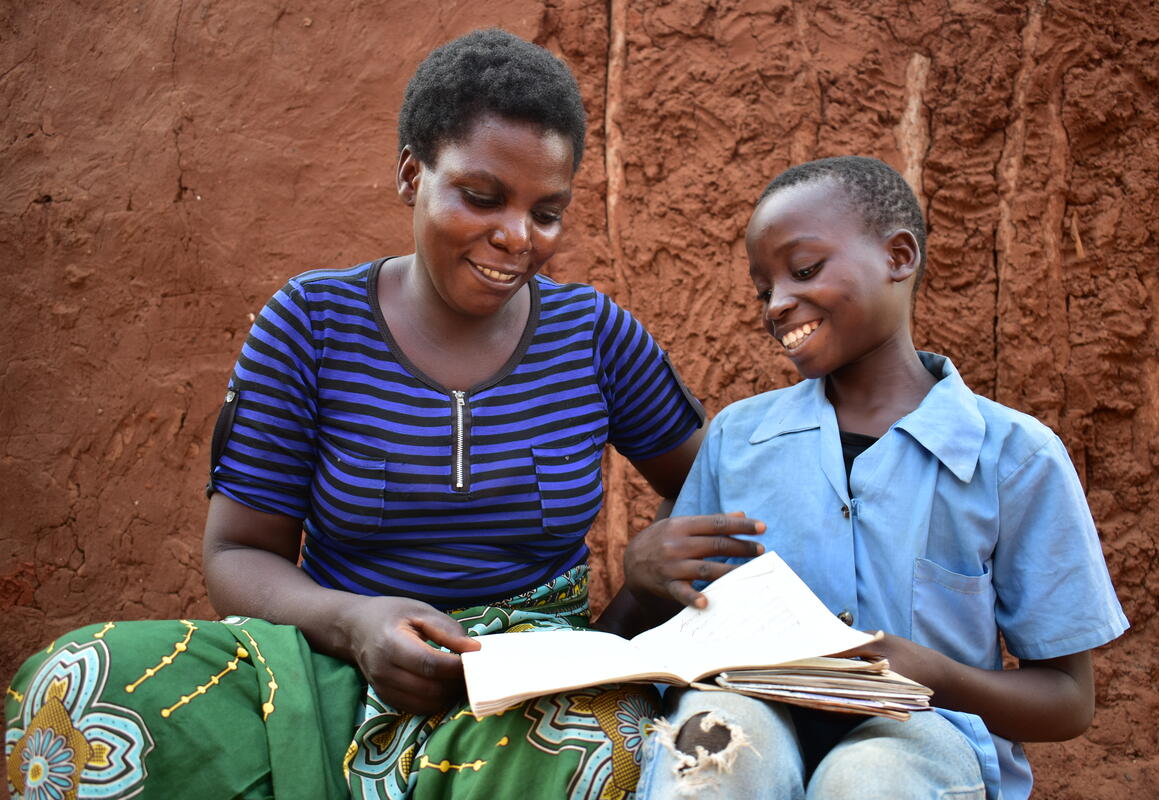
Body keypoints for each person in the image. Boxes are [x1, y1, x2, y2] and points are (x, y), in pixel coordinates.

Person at [4, 30, 762, 800]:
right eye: (483, 196)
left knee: (613, 745)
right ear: (412, 175)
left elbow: (714, 487)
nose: (517, 238)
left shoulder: (595, 338)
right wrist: (355, 626)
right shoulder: (310, 324)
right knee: (75, 690)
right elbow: (236, 555)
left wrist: (630, 608)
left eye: (548, 212)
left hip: (530, 696)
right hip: (323, 675)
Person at [623, 156, 1129, 799]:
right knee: (714, 745)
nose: (778, 303)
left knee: (867, 779)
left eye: (804, 271)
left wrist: (935, 676)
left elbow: (1067, 700)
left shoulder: (1015, 456)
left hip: (926, 733)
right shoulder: (737, 439)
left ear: (898, 256)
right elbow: (691, 626)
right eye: (763, 289)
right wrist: (646, 578)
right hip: (759, 711)